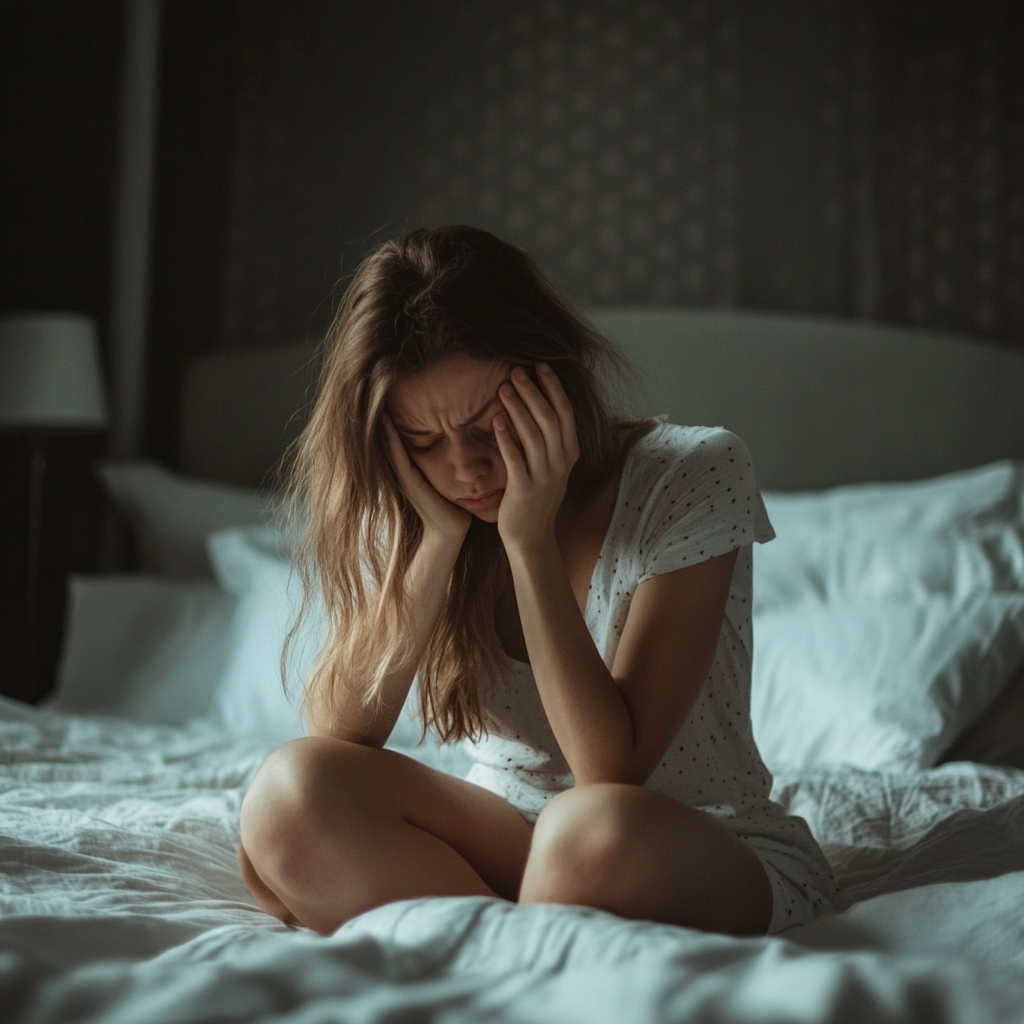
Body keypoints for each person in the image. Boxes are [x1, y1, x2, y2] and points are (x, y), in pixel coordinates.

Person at [237, 225, 836, 937]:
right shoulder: (423, 499)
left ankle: (483, 951)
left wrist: (528, 541)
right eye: (426, 442)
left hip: (681, 840)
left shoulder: (694, 472)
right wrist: (437, 544)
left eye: (488, 428)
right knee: (285, 796)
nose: (464, 469)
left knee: (588, 832)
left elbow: (611, 767)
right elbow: (338, 731)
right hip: (508, 840)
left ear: (551, 377)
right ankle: (507, 962)